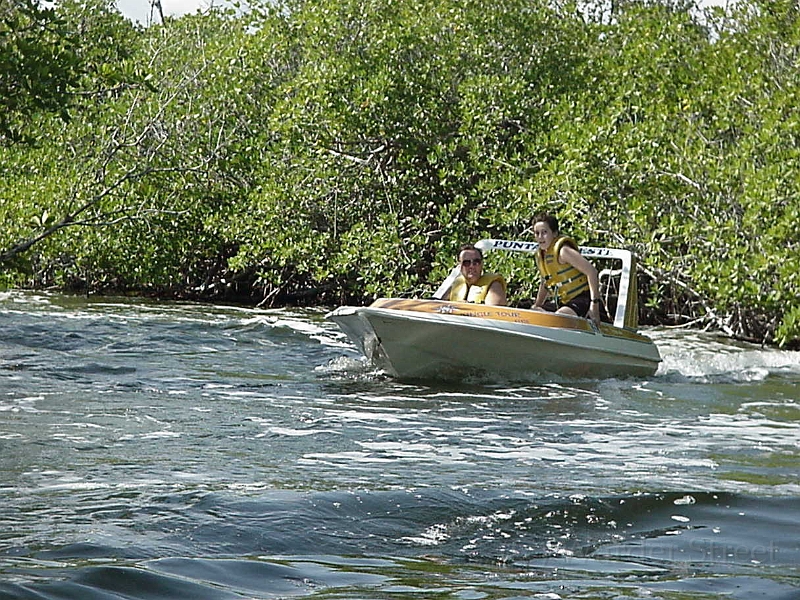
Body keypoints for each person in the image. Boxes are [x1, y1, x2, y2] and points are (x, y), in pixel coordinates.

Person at [531, 213, 602, 324]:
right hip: (564, 301)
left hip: (582, 299)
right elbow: (545, 282)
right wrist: (537, 305)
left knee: (559, 318)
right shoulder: (542, 256)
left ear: (554, 233)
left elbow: (592, 272)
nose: (540, 237)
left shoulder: (563, 251)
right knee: (534, 313)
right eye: (537, 233)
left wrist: (594, 306)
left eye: (544, 232)